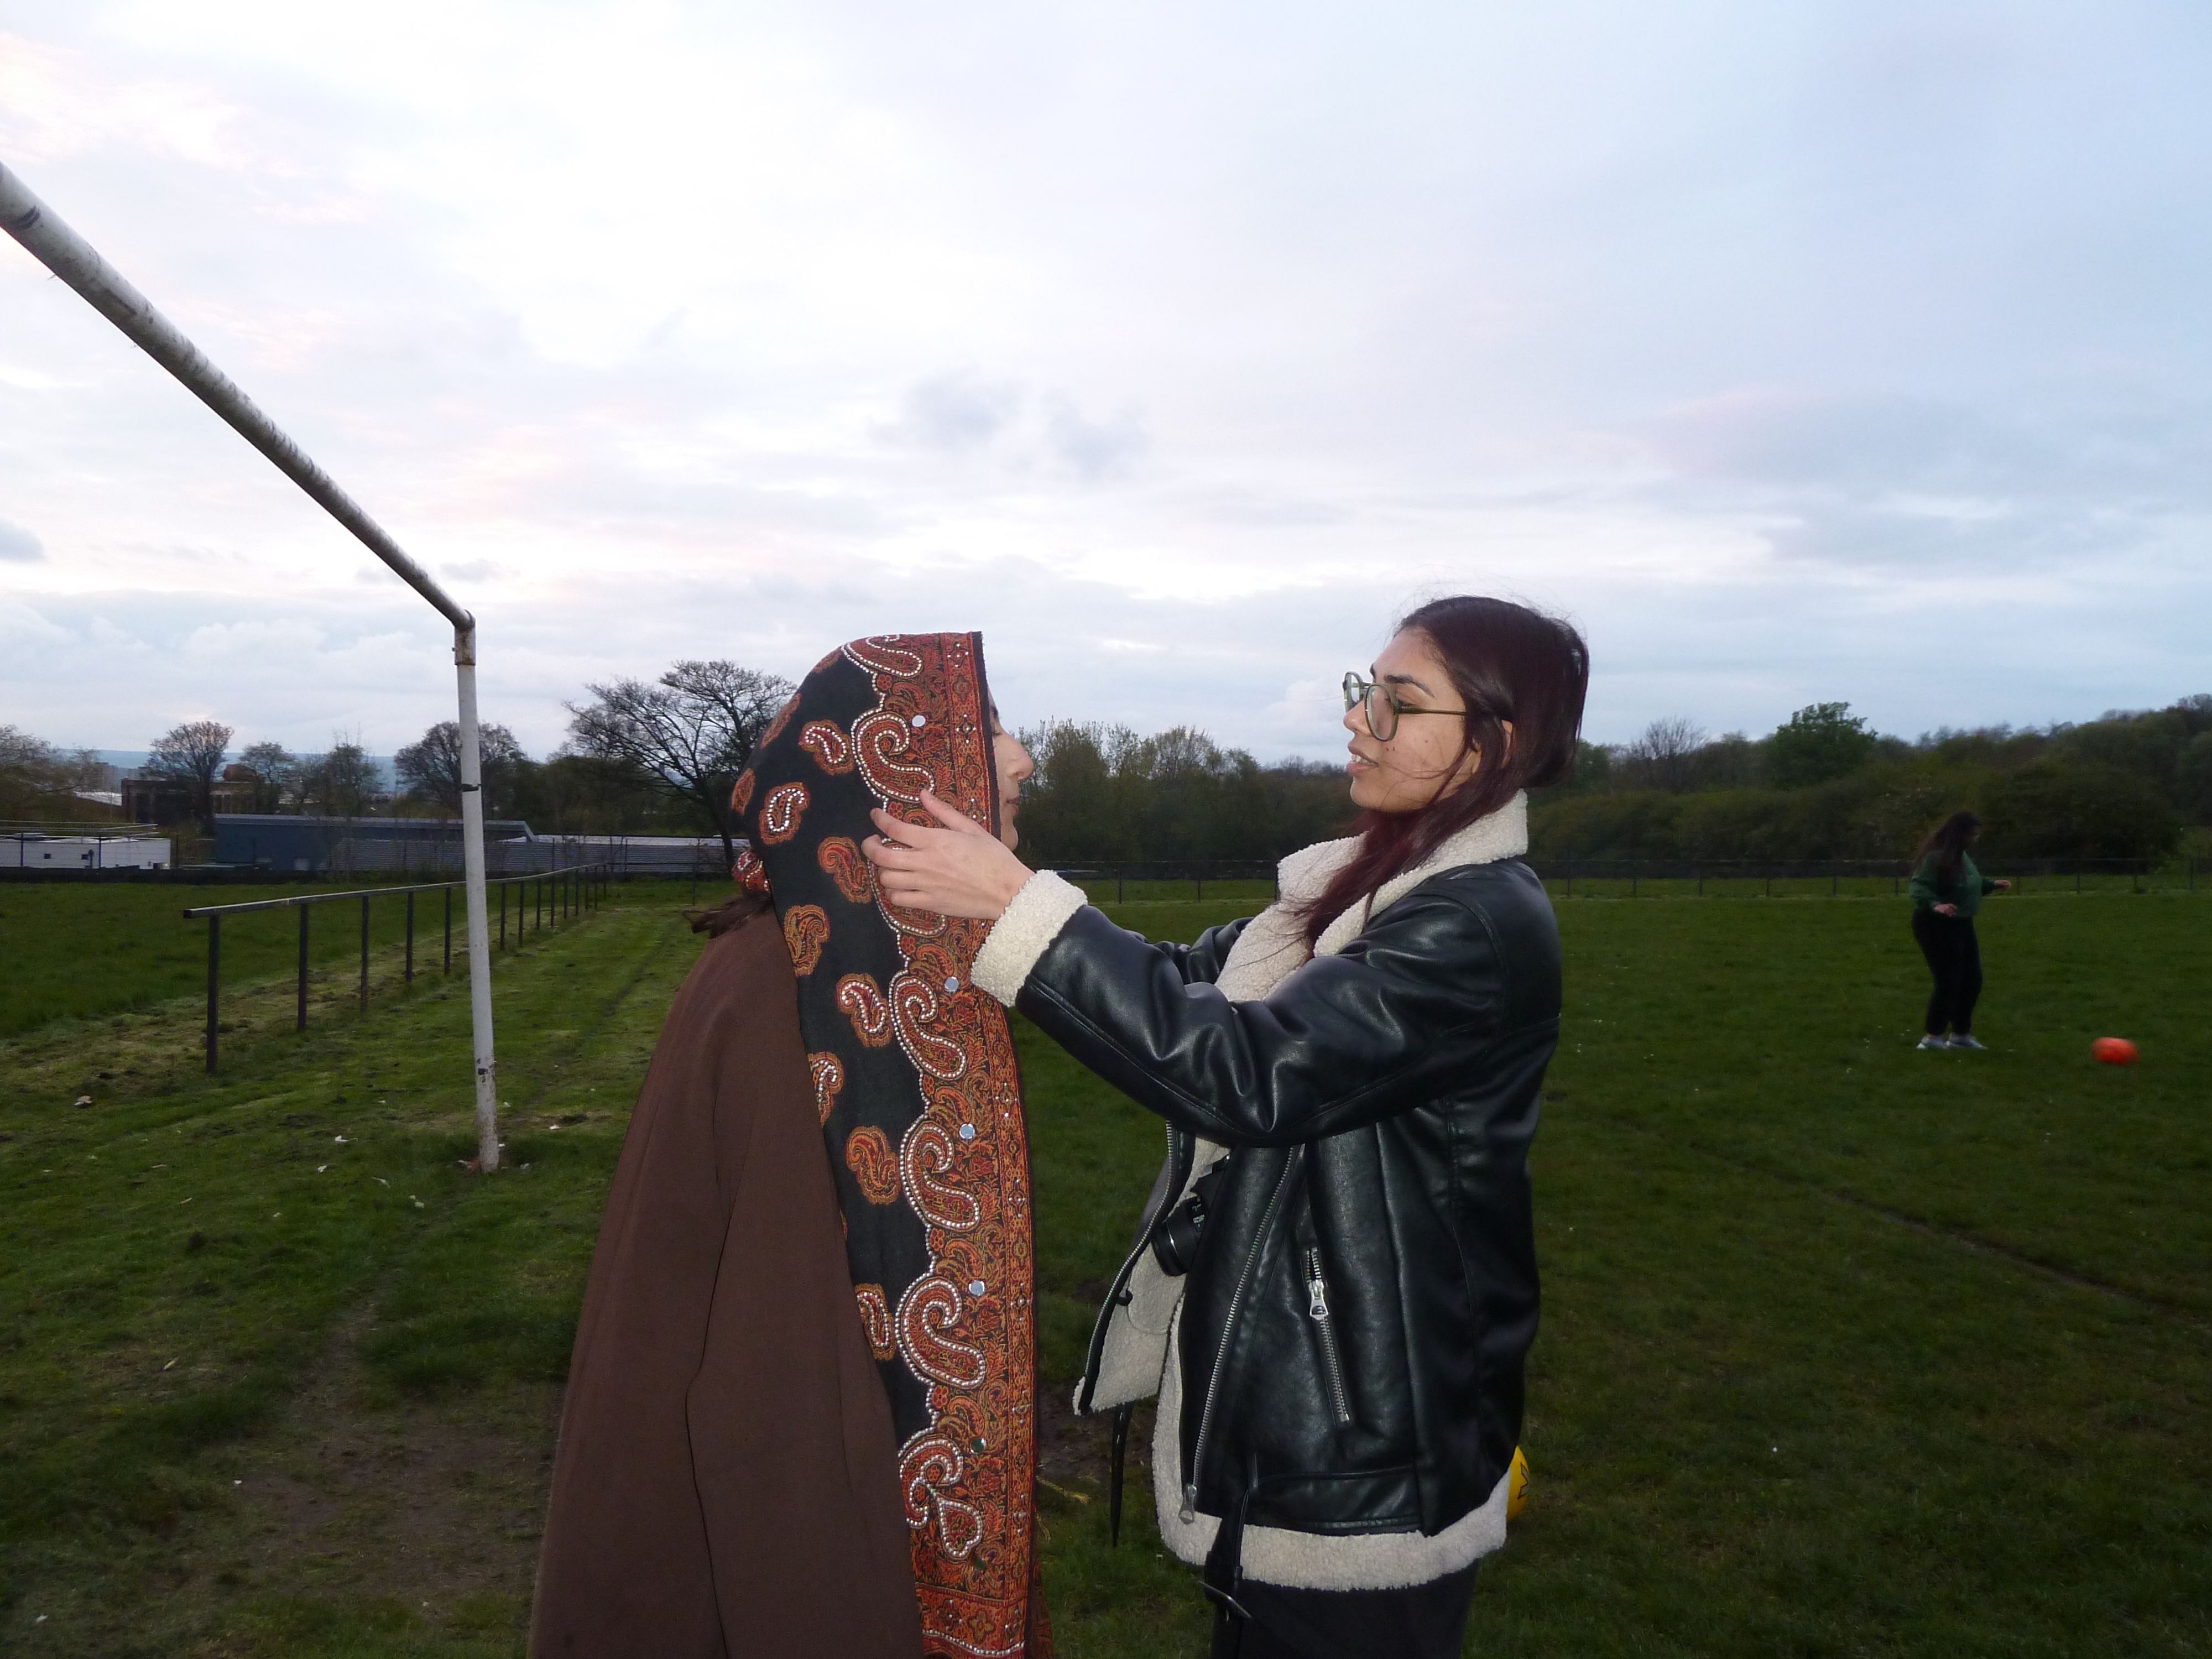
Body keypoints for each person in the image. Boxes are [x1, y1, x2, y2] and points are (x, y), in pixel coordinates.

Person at [864, 596, 1588, 1659]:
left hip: (1362, 1440)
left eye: (1402, 702)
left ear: (1495, 745)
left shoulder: (1473, 923)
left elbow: (1250, 1073)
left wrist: (1020, 908)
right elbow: (1186, 985)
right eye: (1366, 690)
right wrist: (1001, 899)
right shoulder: (1368, 888)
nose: (1360, 720)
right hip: (1314, 1418)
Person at [530, 632, 1053, 1658]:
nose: (1024, 758)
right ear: (896, 765)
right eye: (986, 725)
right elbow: (781, 1402)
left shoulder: (836, 975)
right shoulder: (798, 1003)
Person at [1907, 809, 2010, 1051]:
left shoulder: (1961, 857)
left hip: (1962, 923)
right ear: (1959, 834)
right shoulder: (1936, 858)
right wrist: (1936, 905)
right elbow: (1918, 888)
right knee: (1949, 981)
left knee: (1972, 980)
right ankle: (1932, 1038)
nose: (1975, 839)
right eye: (1972, 835)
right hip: (1935, 925)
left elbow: (1969, 883)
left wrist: (1991, 885)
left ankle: (1961, 1036)